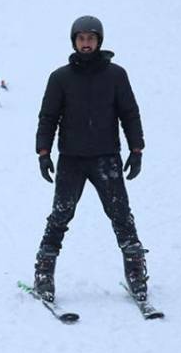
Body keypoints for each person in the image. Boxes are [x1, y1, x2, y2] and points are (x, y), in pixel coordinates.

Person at [33, 16, 151, 302]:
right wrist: (43, 152)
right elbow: (48, 116)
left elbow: (129, 113)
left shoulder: (116, 75)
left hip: (106, 158)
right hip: (71, 160)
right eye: (81, 38)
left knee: (121, 215)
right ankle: (44, 275)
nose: (86, 43)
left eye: (91, 38)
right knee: (60, 215)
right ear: (74, 41)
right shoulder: (60, 77)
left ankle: (136, 273)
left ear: (99, 41)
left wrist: (136, 150)